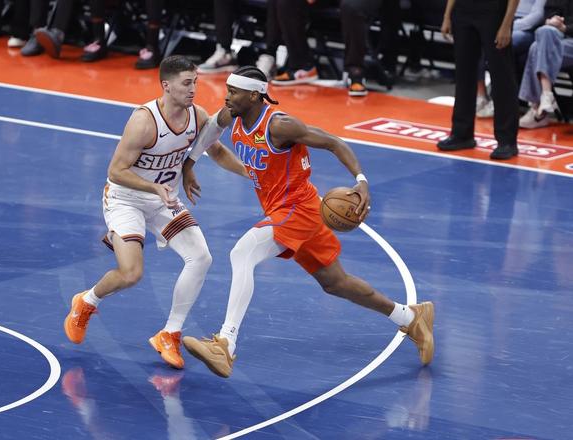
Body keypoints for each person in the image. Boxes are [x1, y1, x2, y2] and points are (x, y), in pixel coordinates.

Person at [179, 66, 435, 378]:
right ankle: (410, 317)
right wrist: (190, 163)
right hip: (296, 210)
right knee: (336, 283)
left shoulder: (280, 125)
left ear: (255, 95)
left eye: (234, 92)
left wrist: (361, 181)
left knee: (242, 253)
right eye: (228, 90)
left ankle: (225, 344)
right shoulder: (233, 115)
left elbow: (333, 142)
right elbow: (212, 130)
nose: (227, 97)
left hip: (297, 208)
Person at [63, 56, 247, 370]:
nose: (193, 89)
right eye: (186, 83)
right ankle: (87, 301)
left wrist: (252, 174)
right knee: (131, 274)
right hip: (125, 200)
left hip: (163, 201)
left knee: (201, 257)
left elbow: (216, 151)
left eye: (195, 82)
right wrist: (154, 188)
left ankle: (169, 333)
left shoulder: (197, 116)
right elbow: (116, 171)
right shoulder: (144, 121)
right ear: (166, 85)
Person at [438, 0, 521, 160]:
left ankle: (507, 141)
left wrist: (506, 25)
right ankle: (462, 134)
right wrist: (447, 15)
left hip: (494, 12)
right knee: (463, 73)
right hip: (463, 10)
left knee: (502, 75)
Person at [475, 0, 546, 118]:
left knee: (503, 43)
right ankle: (481, 95)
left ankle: (499, 99)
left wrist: (508, 27)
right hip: (502, 21)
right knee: (477, 39)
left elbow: (538, 15)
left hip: (527, 28)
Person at [517, 0, 573, 128]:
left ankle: (537, 107)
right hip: (558, 37)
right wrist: (550, 21)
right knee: (544, 34)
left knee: (536, 49)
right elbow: (548, 13)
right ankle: (546, 96)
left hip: (569, 37)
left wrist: (565, 28)